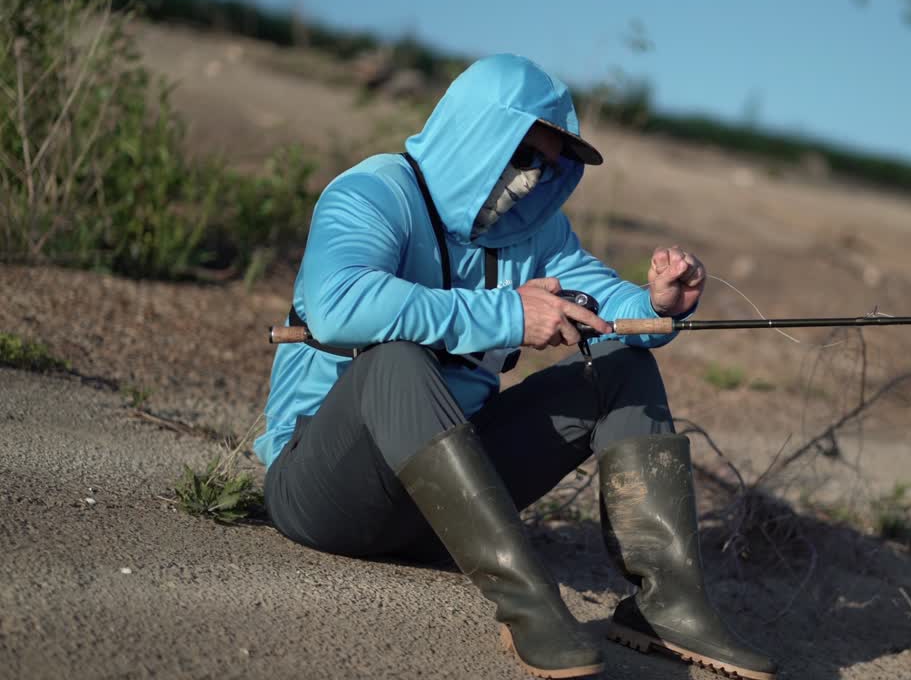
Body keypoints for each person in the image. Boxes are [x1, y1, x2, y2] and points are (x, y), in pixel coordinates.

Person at [255, 54, 777, 680]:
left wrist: (658, 305)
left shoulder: (538, 234)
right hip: (323, 493)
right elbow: (340, 305)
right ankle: (531, 606)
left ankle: (668, 608)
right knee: (395, 360)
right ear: (477, 135)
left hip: (444, 513)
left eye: (552, 167)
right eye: (525, 157)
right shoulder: (372, 193)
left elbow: (611, 310)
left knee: (619, 364)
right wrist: (508, 313)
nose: (536, 180)